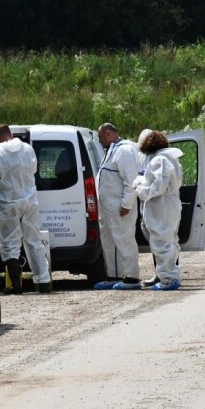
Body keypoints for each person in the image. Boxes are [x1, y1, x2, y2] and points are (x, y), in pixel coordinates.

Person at [0, 124, 53, 293]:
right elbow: (34, 169)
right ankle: (43, 282)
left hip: (9, 202)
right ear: (12, 134)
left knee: (10, 244)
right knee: (34, 240)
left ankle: (16, 286)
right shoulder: (28, 149)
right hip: (30, 201)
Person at [93, 122, 141, 290]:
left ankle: (132, 277)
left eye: (100, 137)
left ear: (108, 134)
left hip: (120, 207)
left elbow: (131, 180)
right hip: (108, 209)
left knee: (124, 239)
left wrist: (127, 204)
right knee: (109, 241)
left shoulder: (124, 151)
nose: (99, 141)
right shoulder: (111, 151)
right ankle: (113, 275)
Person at [134, 130, 183, 291]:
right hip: (170, 204)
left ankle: (167, 278)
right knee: (170, 241)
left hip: (160, 206)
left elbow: (157, 188)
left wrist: (139, 187)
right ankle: (171, 275)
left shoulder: (160, 160)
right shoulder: (171, 159)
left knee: (161, 242)